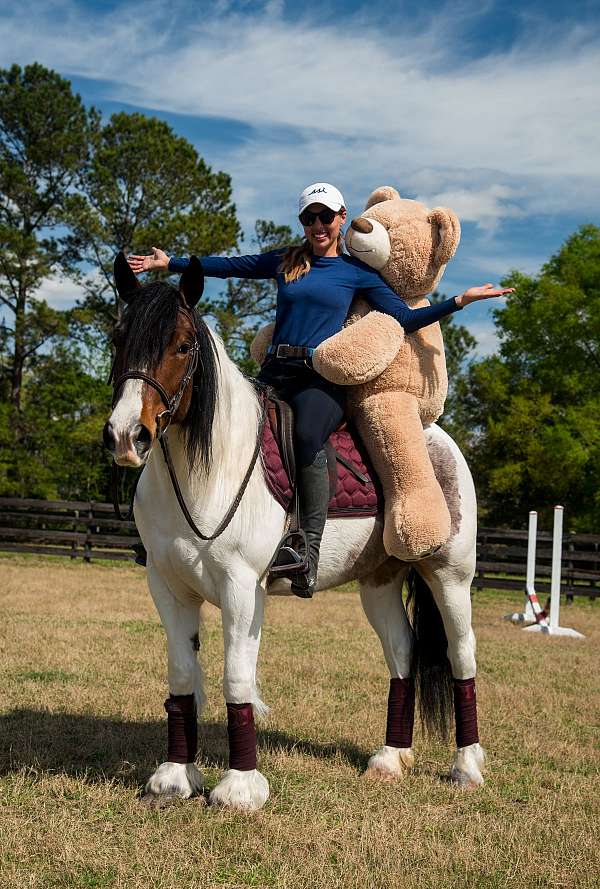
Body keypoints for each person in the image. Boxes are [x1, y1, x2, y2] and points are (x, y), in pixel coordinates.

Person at [128, 182, 513, 597]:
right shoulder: (287, 261)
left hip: (319, 380)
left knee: (309, 436)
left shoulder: (356, 273)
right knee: (219, 423)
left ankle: (306, 550)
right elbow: (232, 265)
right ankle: (163, 532)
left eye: (325, 216)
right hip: (275, 372)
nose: (318, 225)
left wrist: (459, 301)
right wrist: (171, 263)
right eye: (309, 217)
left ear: (342, 218)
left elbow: (403, 317)